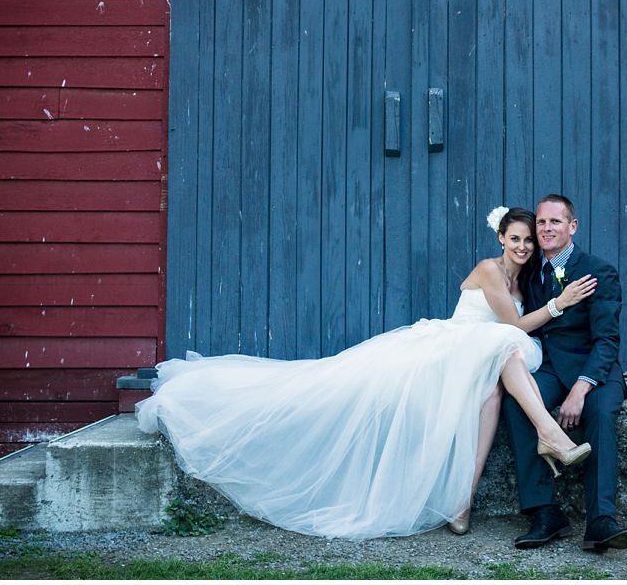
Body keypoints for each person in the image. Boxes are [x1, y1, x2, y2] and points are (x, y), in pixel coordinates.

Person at [136, 207, 596, 540]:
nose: (521, 246)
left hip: (478, 358)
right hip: (451, 346)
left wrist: (554, 301)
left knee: (494, 394)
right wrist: (561, 303)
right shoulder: (489, 270)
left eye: (528, 240)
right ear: (500, 239)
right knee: (507, 349)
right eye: (514, 238)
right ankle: (549, 432)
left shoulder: (526, 279)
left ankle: (463, 501)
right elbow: (513, 327)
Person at [503, 194, 627, 553]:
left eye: (555, 222)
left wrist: (581, 388)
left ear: (572, 226)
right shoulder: (531, 272)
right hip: (549, 367)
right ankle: (545, 512)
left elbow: (607, 339)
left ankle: (601, 520)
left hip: (594, 368)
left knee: (600, 413)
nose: (547, 229)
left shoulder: (598, 270)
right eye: (542, 223)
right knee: (518, 401)